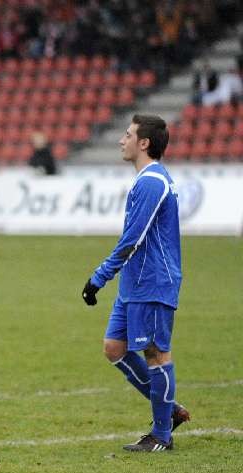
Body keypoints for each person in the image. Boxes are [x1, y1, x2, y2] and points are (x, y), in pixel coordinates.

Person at [81, 114, 189, 453]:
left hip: (153, 282)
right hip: (135, 283)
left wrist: (99, 277)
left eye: (127, 135)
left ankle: (161, 435)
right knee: (115, 348)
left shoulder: (153, 182)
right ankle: (169, 411)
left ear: (144, 143)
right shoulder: (147, 180)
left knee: (156, 354)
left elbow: (133, 239)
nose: (121, 140)